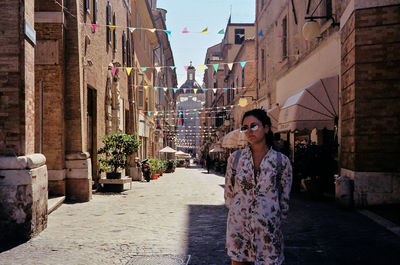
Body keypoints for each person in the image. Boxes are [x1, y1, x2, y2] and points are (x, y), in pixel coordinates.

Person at [224, 109, 292, 265]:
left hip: (268, 233)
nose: (249, 131)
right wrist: (240, 213)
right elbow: (229, 193)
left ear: (266, 128)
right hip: (239, 231)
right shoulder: (235, 159)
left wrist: (269, 218)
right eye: (245, 127)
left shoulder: (282, 162)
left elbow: (284, 200)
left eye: (254, 126)